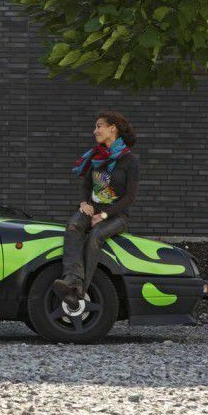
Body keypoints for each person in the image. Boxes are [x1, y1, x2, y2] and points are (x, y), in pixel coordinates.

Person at [53, 111, 140, 308]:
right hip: (92, 209)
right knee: (74, 226)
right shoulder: (97, 157)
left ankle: (79, 292)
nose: (95, 131)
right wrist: (84, 203)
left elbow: (129, 198)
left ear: (112, 128)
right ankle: (72, 280)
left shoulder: (130, 161)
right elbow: (86, 186)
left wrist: (104, 215)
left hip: (117, 215)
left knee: (95, 237)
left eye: (99, 126)